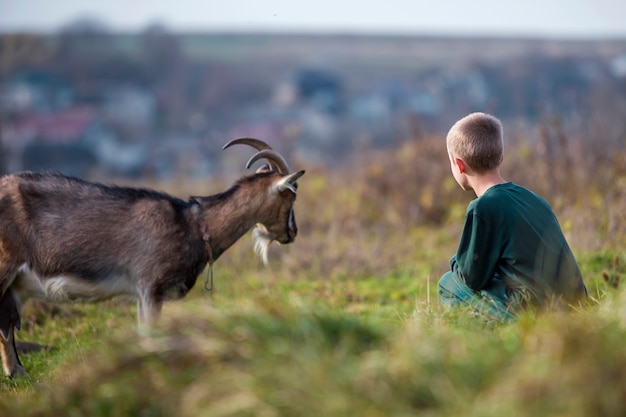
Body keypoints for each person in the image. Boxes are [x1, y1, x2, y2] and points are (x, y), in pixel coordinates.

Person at [438, 112, 587, 322]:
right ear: (501, 157)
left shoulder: (483, 207)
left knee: (448, 284)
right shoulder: (535, 199)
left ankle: (491, 334)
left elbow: (471, 277)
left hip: (535, 311)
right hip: (573, 304)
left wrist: (456, 261)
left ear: (459, 165)